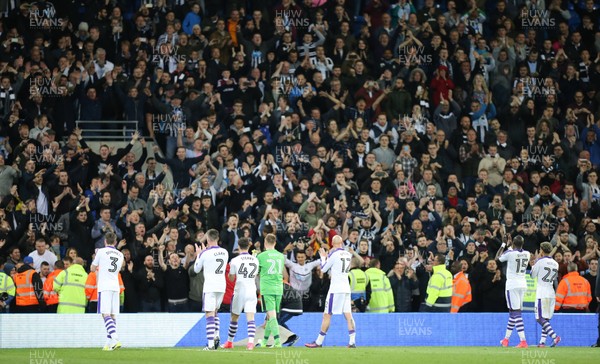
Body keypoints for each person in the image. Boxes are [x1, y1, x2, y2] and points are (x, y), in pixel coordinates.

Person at [306, 235, 357, 348]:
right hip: (346, 288)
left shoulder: (334, 254)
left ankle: (319, 342)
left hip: (336, 289)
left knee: (327, 315)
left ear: (332, 244)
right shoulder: (348, 254)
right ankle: (352, 341)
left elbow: (323, 269)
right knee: (348, 315)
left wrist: (324, 257)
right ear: (342, 243)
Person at [193, 228, 229, 351]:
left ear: (207, 239)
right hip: (221, 286)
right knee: (215, 312)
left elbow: (196, 270)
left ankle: (210, 344)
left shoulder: (205, 253)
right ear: (218, 238)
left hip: (210, 286)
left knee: (209, 314)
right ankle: (217, 335)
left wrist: (199, 255)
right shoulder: (225, 252)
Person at [222, 237, 259, 350]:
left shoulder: (235, 260)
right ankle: (251, 343)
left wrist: (230, 275)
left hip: (239, 291)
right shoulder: (255, 260)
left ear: (238, 246)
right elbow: (255, 275)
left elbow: (232, 278)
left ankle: (229, 342)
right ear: (249, 246)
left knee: (234, 317)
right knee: (250, 317)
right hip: (251, 290)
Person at [91, 232, 125, 351]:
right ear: (115, 242)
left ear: (105, 241)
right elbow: (119, 268)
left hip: (104, 286)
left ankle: (115, 338)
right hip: (115, 286)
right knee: (112, 315)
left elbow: (92, 268)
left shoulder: (100, 251)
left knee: (105, 314)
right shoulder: (120, 254)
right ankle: (108, 344)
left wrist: (96, 256)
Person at [497, 235, 531, 348]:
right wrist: (510, 246)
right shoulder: (527, 253)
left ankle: (523, 341)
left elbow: (498, 257)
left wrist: (503, 244)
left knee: (516, 313)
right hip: (523, 284)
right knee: (513, 313)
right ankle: (506, 339)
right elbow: (515, 252)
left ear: (513, 243)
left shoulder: (510, 253)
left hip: (512, 285)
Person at [257, 233, 285, 348]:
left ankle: (278, 341)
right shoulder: (281, 256)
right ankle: (264, 341)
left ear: (265, 242)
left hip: (267, 288)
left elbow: (256, 272)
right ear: (275, 243)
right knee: (270, 316)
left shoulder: (261, 256)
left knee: (271, 315)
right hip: (278, 288)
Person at [530, 242, 560, 348]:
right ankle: (542, 342)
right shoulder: (556, 263)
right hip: (551, 292)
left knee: (539, 318)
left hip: (542, 292)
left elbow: (532, 275)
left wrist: (533, 265)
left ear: (542, 250)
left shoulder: (540, 261)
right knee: (546, 319)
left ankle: (554, 336)